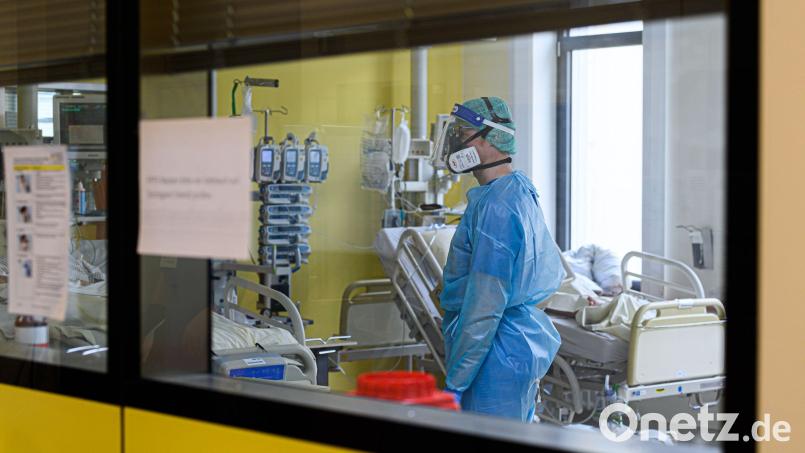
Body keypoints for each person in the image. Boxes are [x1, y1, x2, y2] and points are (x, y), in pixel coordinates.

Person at [436, 96, 564, 421]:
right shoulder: (517, 189)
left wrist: (457, 381)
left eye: (462, 133)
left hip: (494, 354)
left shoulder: (496, 207)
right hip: (513, 346)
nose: (454, 142)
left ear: (490, 138)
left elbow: (484, 305)